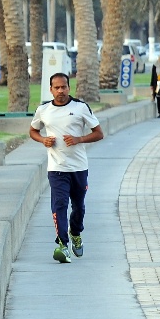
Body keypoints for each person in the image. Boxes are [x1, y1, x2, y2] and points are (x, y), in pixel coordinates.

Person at [29, 73, 104, 263]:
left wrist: (79, 139)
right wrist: (43, 140)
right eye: (57, 88)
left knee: (78, 207)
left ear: (69, 87)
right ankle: (62, 244)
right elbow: (33, 130)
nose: (60, 91)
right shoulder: (43, 109)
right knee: (59, 205)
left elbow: (98, 133)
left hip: (79, 167)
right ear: (51, 89)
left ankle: (75, 233)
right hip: (57, 168)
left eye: (64, 87)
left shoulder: (80, 107)